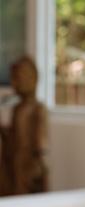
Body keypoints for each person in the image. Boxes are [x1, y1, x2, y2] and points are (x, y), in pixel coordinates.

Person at [0, 56, 48, 196]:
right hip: (12, 164)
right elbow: (13, 137)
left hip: (28, 166)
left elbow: (41, 142)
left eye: (18, 78)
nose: (14, 83)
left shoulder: (38, 109)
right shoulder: (17, 109)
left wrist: (37, 164)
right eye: (13, 79)